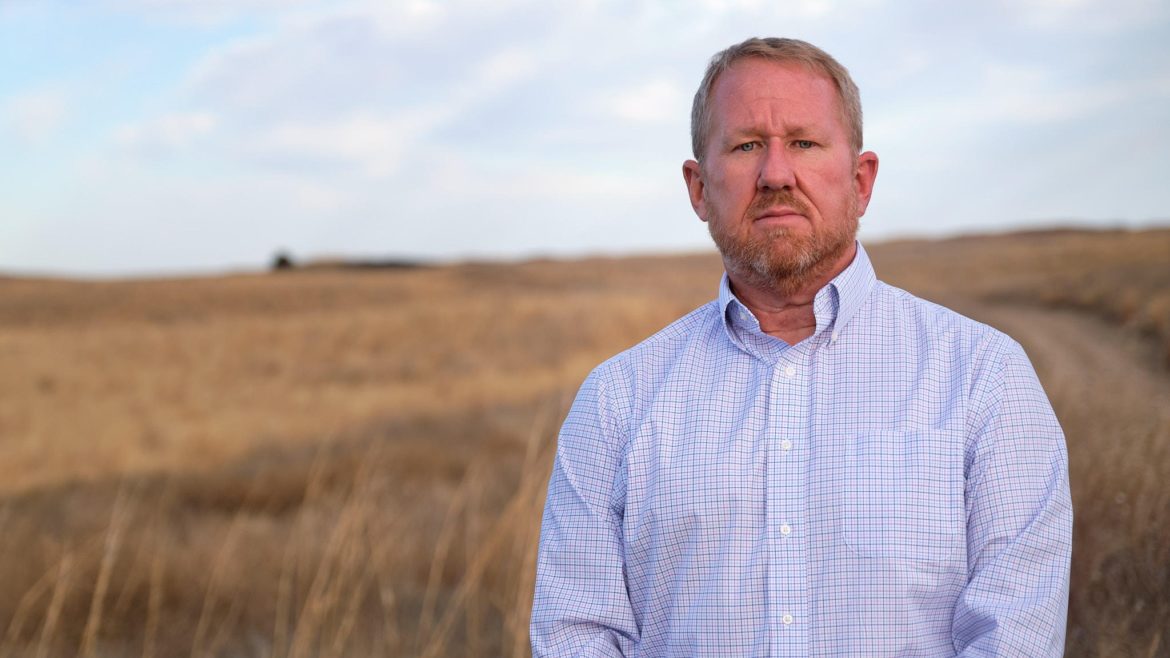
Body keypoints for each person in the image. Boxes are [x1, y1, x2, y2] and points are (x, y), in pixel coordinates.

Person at [530, 37, 1072, 657]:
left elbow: (1014, 641)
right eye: (746, 145)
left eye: (805, 143)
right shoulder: (617, 400)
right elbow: (577, 637)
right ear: (699, 187)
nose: (776, 174)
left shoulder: (984, 379)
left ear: (861, 180)